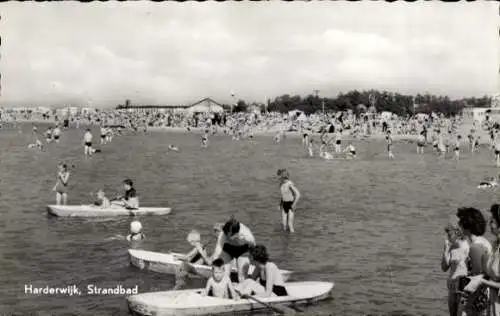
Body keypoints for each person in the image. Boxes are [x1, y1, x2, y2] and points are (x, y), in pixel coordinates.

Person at [455, 207, 491, 316]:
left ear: (467, 226)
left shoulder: (475, 247)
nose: (458, 225)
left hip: (475, 296)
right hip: (482, 295)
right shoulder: (483, 242)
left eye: (460, 222)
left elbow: (478, 277)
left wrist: (465, 302)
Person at [210, 218, 256, 283]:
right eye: (225, 235)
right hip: (228, 249)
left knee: (242, 277)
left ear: (236, 234)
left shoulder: (247, 236)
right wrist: (214, 267)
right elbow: (217, 253)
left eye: (228, 236)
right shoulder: (223, 235)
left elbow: (254, 247)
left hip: (242, 250)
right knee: (224, 276)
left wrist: (252, 259)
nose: (227, 237)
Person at [441, 220, 470, 316]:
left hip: (462, 287)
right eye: (447, 235)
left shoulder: (466, 246)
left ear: (457, 233)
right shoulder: (451, 247)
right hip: (452, 288)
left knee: (461, 313)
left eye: (449, 235)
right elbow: (444, 267)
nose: (448, 238)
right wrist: (445, 251)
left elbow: (470, 268)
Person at [277, 169, 301, 233]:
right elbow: (283, 196)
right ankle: (285, 240)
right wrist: (280, 204)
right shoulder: (281, 184)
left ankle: (293, 240)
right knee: (284, 224)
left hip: (291, 204)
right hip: (284, 204)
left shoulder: (289, 184)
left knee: (290, 224)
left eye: (279, 176)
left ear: (283, 176)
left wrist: (294, 204)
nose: (278, 178)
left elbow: (298, 194)